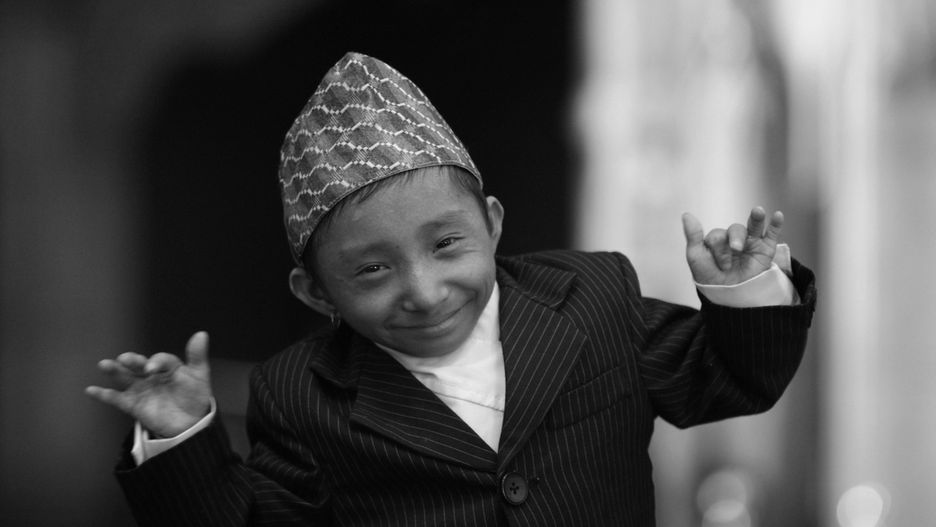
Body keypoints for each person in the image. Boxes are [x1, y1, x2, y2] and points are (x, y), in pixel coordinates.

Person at [86, 52, 816, 526]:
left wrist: (745, 292)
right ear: (315, 292)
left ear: (492, 224)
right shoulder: (302, 395)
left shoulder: (592, 298)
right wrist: (180, 436)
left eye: (446, 245)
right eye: (372, 270)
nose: (425, 291)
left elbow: (731, 380)